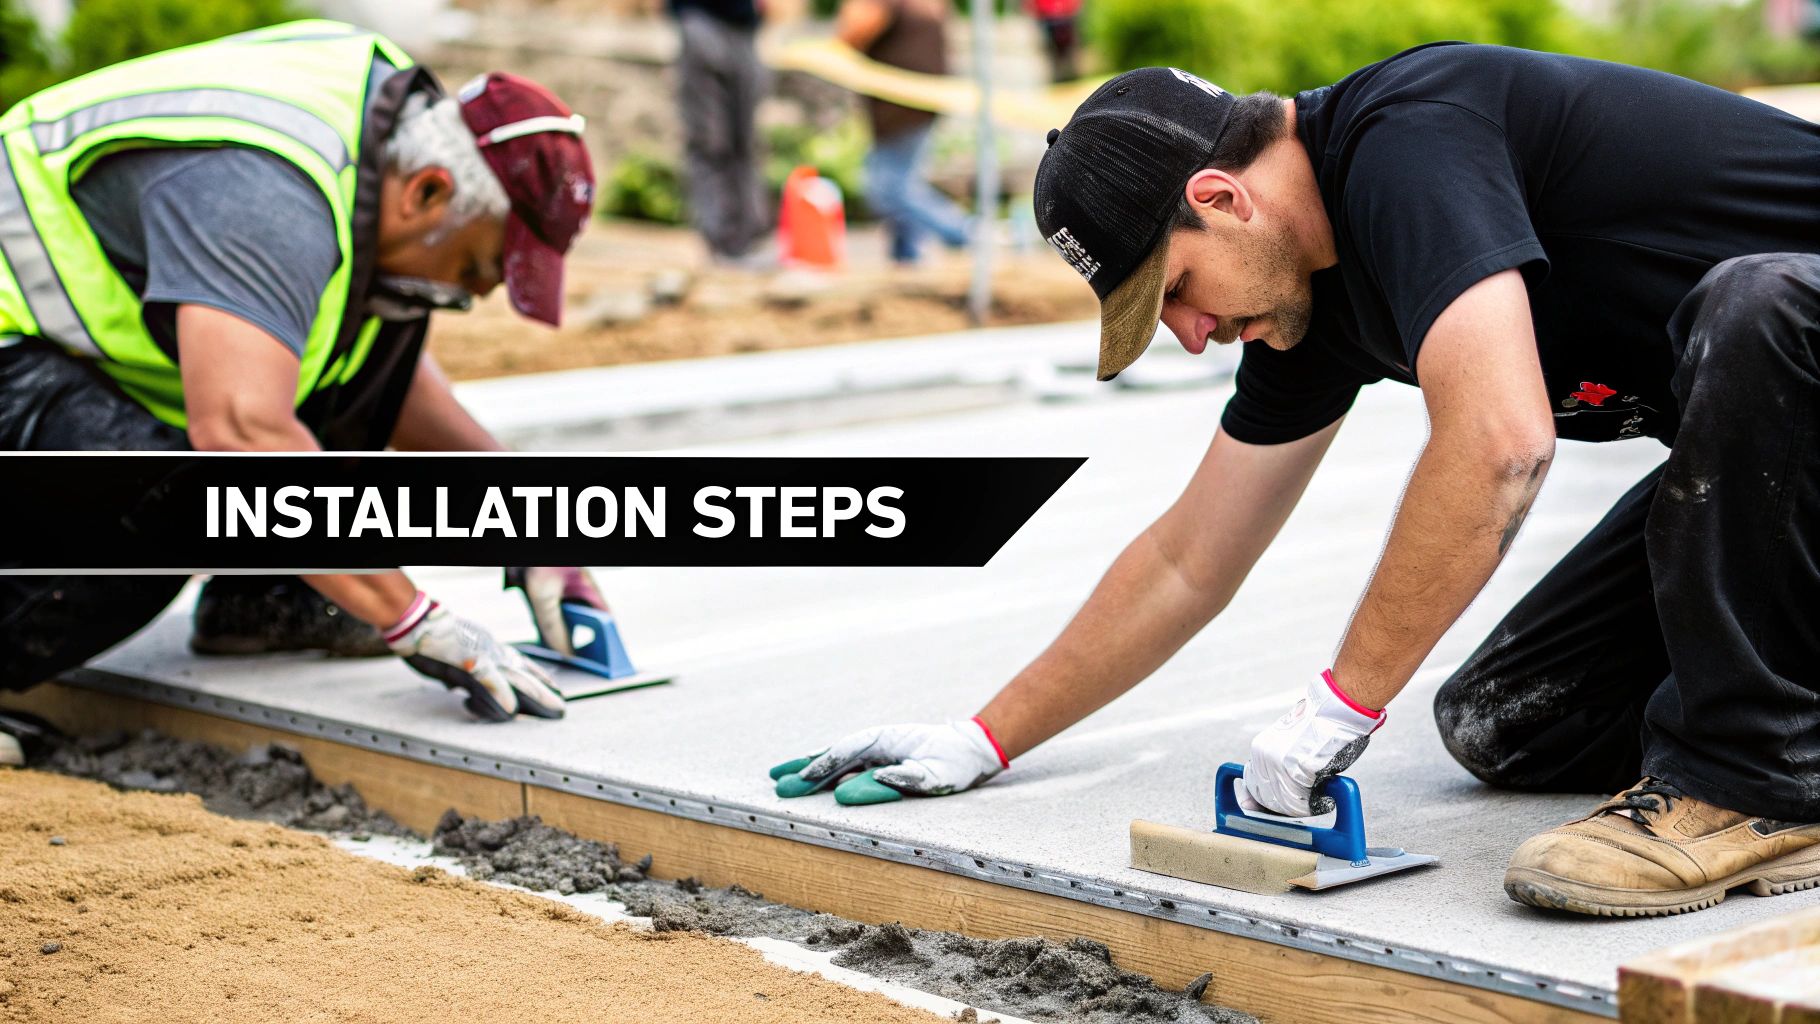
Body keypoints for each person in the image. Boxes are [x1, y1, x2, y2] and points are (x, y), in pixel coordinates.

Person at [773, 45, 1820, 918]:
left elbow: (1500, 441)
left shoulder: (1408, 139)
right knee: (1505, 721)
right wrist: (981, 734)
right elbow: (1190, 557)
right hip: (1791, 467)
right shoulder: (1305, 300)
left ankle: (1751, 788)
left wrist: (1337, 707)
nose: (1190, 339)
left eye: (1175, 292)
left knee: (1759, 302)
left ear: (1221, 198)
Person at [0, 21, 606, 740]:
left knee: (391, 327)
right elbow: (240, 434)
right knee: (176, 503)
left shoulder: (377, 150)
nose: (476, 295)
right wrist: (413, 618)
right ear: (429, 191)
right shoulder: (269, 193)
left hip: (53, 348)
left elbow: (377, 378)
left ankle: (263, 604)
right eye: (478, 266)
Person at [837, 0, 971, 265]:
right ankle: (907, 253)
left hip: (900, 108)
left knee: (888, 188)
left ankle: (962, 232)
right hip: (919, 102)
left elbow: (850, 36)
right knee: (902, 180)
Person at [670, 0, 771, 267]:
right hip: (704, 23)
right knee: (710, 143)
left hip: (744, 30)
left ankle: (746, 239)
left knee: (744, 142)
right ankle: (723, 241)